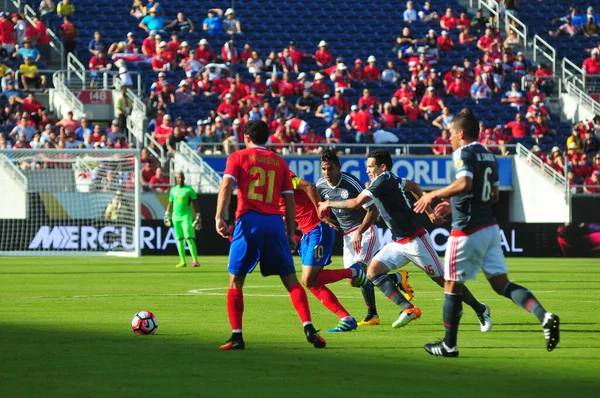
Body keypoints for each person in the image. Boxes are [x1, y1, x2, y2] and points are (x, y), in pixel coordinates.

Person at [414, 109, 560, 357]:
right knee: (501, 284)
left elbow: (465, 183)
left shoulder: (463, 152)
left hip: (466, 231)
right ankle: (544, 316)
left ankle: (449, 344)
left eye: (450, 133)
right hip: (490, 228)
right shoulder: (490, 155)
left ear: (461, 133)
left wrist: (432, 194)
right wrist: (455, 204)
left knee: (451, 285)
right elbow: (493, 196)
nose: (448, 138)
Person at [319, 149, 491, 330]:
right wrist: (430, 212)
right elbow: (415, 186)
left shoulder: (382, 180)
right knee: (372, 272)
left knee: (444, 282)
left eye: (370, 166)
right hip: (398, 243)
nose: (367, 170)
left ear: (382, 167)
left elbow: (355, 203)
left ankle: (481, 309)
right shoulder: (391, 178)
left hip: (416, 241)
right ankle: (407, 308)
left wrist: (329, 203)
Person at [214, 120, 326, 350]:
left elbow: (226, 186)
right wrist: (289, 233)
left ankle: (237, 336)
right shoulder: (279, 163)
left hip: (249, 221)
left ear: (246, 137)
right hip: (275, 223)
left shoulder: (237, 157)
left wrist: (219, 217)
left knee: (236, 281)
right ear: (267, 138)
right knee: (291, 280)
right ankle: (309, 327)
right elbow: (289, 199)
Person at [285, 171, 368, 332]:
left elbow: (309, 186)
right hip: (307, 234)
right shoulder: (270, 192)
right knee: (312, 282)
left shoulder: (284, 177)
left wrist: (320, 212)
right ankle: (346, 318)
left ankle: (354, 271)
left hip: (318, 229)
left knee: (309, 280)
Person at [316, 150, 384, 326]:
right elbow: (318, 207)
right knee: (353, 280)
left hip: (365, 231)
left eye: (330, 169)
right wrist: (324, 218)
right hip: (347, 236)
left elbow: (373, 210)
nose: (326, 173)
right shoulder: (321, 186)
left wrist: (360, 232)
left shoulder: (352, 183)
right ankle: (397, 278)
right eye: (323, 169)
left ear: (339, 167)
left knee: (359, 271)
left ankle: (372, 315)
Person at [164, 172, 201, 268]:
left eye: (182, 177)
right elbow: (170, 203)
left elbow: (195, 203)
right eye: (178, 177)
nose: (180, 179)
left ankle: (195, 261)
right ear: (176, 178)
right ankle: (182, 261)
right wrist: (167, 213)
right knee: (179, 239)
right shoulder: (173, 190)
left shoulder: (189, 190)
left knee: (188, 237)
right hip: (175, 217)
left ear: (184, 178)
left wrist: (197, 215)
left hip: (186, 216)